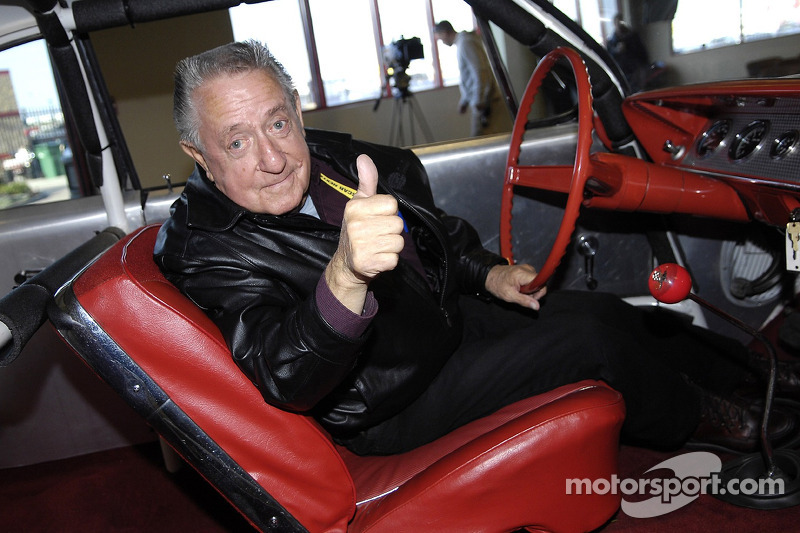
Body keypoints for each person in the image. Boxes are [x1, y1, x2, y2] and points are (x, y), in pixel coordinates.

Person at [154, 40, 799, 457]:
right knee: (590, 346)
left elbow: (434, 238)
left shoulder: (331, 157)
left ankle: (759, 369)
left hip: (440, 329)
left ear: (295, 108)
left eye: (278, 122)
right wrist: (346, 276)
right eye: (237, 142)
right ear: (198, 156)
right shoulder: (207, 249)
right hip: (385, 401)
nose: (273, 158)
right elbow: (283, 377)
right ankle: (722, 422)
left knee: (604, 311)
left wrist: (487, 274)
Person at [434, 20, 510, 137]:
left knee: (480, 140)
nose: (442, 42)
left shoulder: (466, 43)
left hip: (485, 102)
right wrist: (465, 100)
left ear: (444, 33)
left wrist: (479, 99)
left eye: (440, 38)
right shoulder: (463, 43)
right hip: (481, 101)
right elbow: (469, 77)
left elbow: (480, 71)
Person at [606, 14, 650, 92]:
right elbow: (608, 61)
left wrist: (643, 73)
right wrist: (616, 51)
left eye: (621, 22)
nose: (620, 25)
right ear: (614, 24)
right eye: (617, 23)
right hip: (620, 76)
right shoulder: (611, 43)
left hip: (635, 75)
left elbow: (643, 56)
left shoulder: (634, 37)